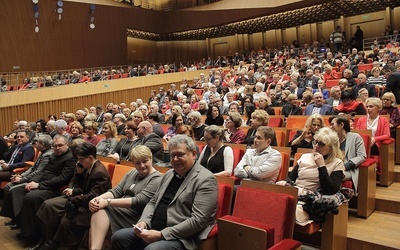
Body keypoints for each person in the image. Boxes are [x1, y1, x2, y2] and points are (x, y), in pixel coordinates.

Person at [111, 135, 218, 250]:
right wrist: (144, 221)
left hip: (182, 237)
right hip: (154, 228)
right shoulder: (169, 174)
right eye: (172, 155)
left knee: (152, 249)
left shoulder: (205, 179)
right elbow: (153, 202)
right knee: (119, 237)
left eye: (180, 154)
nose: (175, 159)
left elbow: (198, 220)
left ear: (193, 154)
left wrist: (161, 234)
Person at [34, 141, 111, 250]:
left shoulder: (99, 172)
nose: (79, 162)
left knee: (60, 214)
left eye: (81, 159)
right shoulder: (88, 167)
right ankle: (46, 240)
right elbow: (80, 186)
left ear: (90, 157)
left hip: (93, 206)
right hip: (81, 199)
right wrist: (78, 174)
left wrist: (73, 199)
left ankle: (52, 243)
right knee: (49, 206)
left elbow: (93, 195)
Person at [89, 145, 162, 249]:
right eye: (137, 163)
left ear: (151, 158)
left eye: (145, 161)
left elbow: (139, 200)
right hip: (120, 210)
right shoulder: (132, 172)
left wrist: (107, 202)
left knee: (100, 210)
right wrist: (97, 199)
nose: (141, 165)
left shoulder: (156, 179)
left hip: (136, 216)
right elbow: (116, 191)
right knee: (97, 208)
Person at [276, 127, 345, 225]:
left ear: (330, 149)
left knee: (284, 211)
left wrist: (321, 166)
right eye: (315, 142)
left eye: (321, 144)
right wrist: (285, 182)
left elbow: (330, 190)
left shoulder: (337, 163)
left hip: (311, 201)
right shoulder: (305, 157)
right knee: (271, 204)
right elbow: (291, 177)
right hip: (295, 192)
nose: (316, 146)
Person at [13, 135, 76, 240]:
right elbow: (43, 171)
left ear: (67, 145)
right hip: (45, 183)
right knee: (21, 190)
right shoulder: (53, 155)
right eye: (55, 146)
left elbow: (62, 179)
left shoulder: (71, 158)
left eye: (60, 145)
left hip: (56, 188)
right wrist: (33, 181)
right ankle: (23, 226)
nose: (57, 148)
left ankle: (32, 233)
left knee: (31, 197)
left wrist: (39, 185)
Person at [0, 135, 53, 228]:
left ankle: (18, 219)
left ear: (42, 145)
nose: (35, 144)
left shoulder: (47, 155)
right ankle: (15, 217)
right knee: (9, 186)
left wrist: (22, 179)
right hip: (30, 177)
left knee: (11, 187)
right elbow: (32, 168)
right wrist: (21, 175)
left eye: (37, 143)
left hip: (36, 180)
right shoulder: (42, 152)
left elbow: (39, 172)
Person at [330, 116, 366, 194]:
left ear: (341, 125)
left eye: (332, 124)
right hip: (333, 166)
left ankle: (336, 199)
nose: (330, 127)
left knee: (335, 175)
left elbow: (362, 156)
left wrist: (346, 166)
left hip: (348, 169)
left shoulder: (355, 137)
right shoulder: (332, 139)